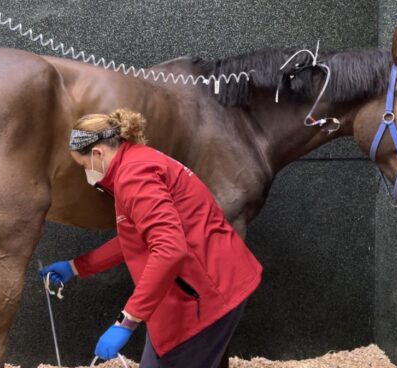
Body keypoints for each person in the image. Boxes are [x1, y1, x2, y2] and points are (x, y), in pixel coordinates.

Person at [39, 108, 262, 368]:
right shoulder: (136, 162)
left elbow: (169, 249)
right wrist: (77, 266)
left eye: (83, 165)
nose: (86, 172)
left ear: (98, 153)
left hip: (205, 296)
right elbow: (136, 238)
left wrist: (126, 321)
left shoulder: (133, 177)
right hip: (202, 286)